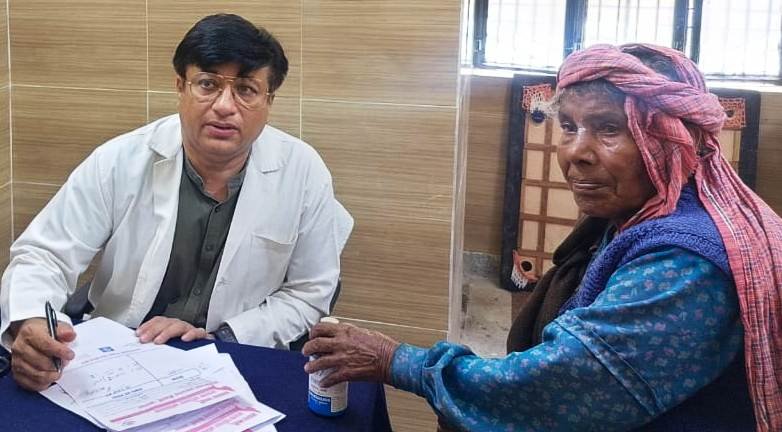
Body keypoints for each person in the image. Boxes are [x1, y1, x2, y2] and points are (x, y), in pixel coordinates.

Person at [303, 43, 782, 431]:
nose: (576, 152)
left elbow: (560, 389)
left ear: (674, 138)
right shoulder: (644, 215)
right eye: (568, 126)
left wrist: (395, 361)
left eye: (609, 129)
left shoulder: (685, 265)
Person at [0, 13, 349, 391]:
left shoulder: (303, 172)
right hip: (121, 355)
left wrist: (222, 336)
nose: (224, 105)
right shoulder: (119, 160)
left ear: (269, 100)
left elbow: (309, 292)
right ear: (181, 86)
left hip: (239, 356)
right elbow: (45, 256)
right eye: (208, 84)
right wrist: (31, 320)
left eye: (246, 89)